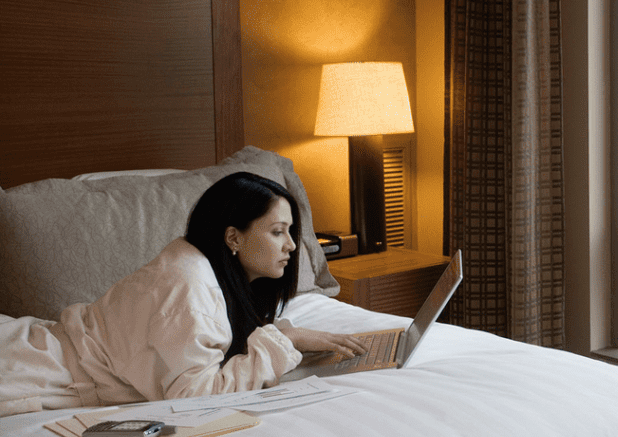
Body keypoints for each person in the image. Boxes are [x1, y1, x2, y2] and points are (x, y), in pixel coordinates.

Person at [0, 172, 366, 415]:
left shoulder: (202, 271)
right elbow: (193, 399)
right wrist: (284, 341)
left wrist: (286, 340)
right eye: (277, 232)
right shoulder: (187, 291)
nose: (290, 245)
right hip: (37, 369)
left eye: (291, 232)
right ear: (233, 237)